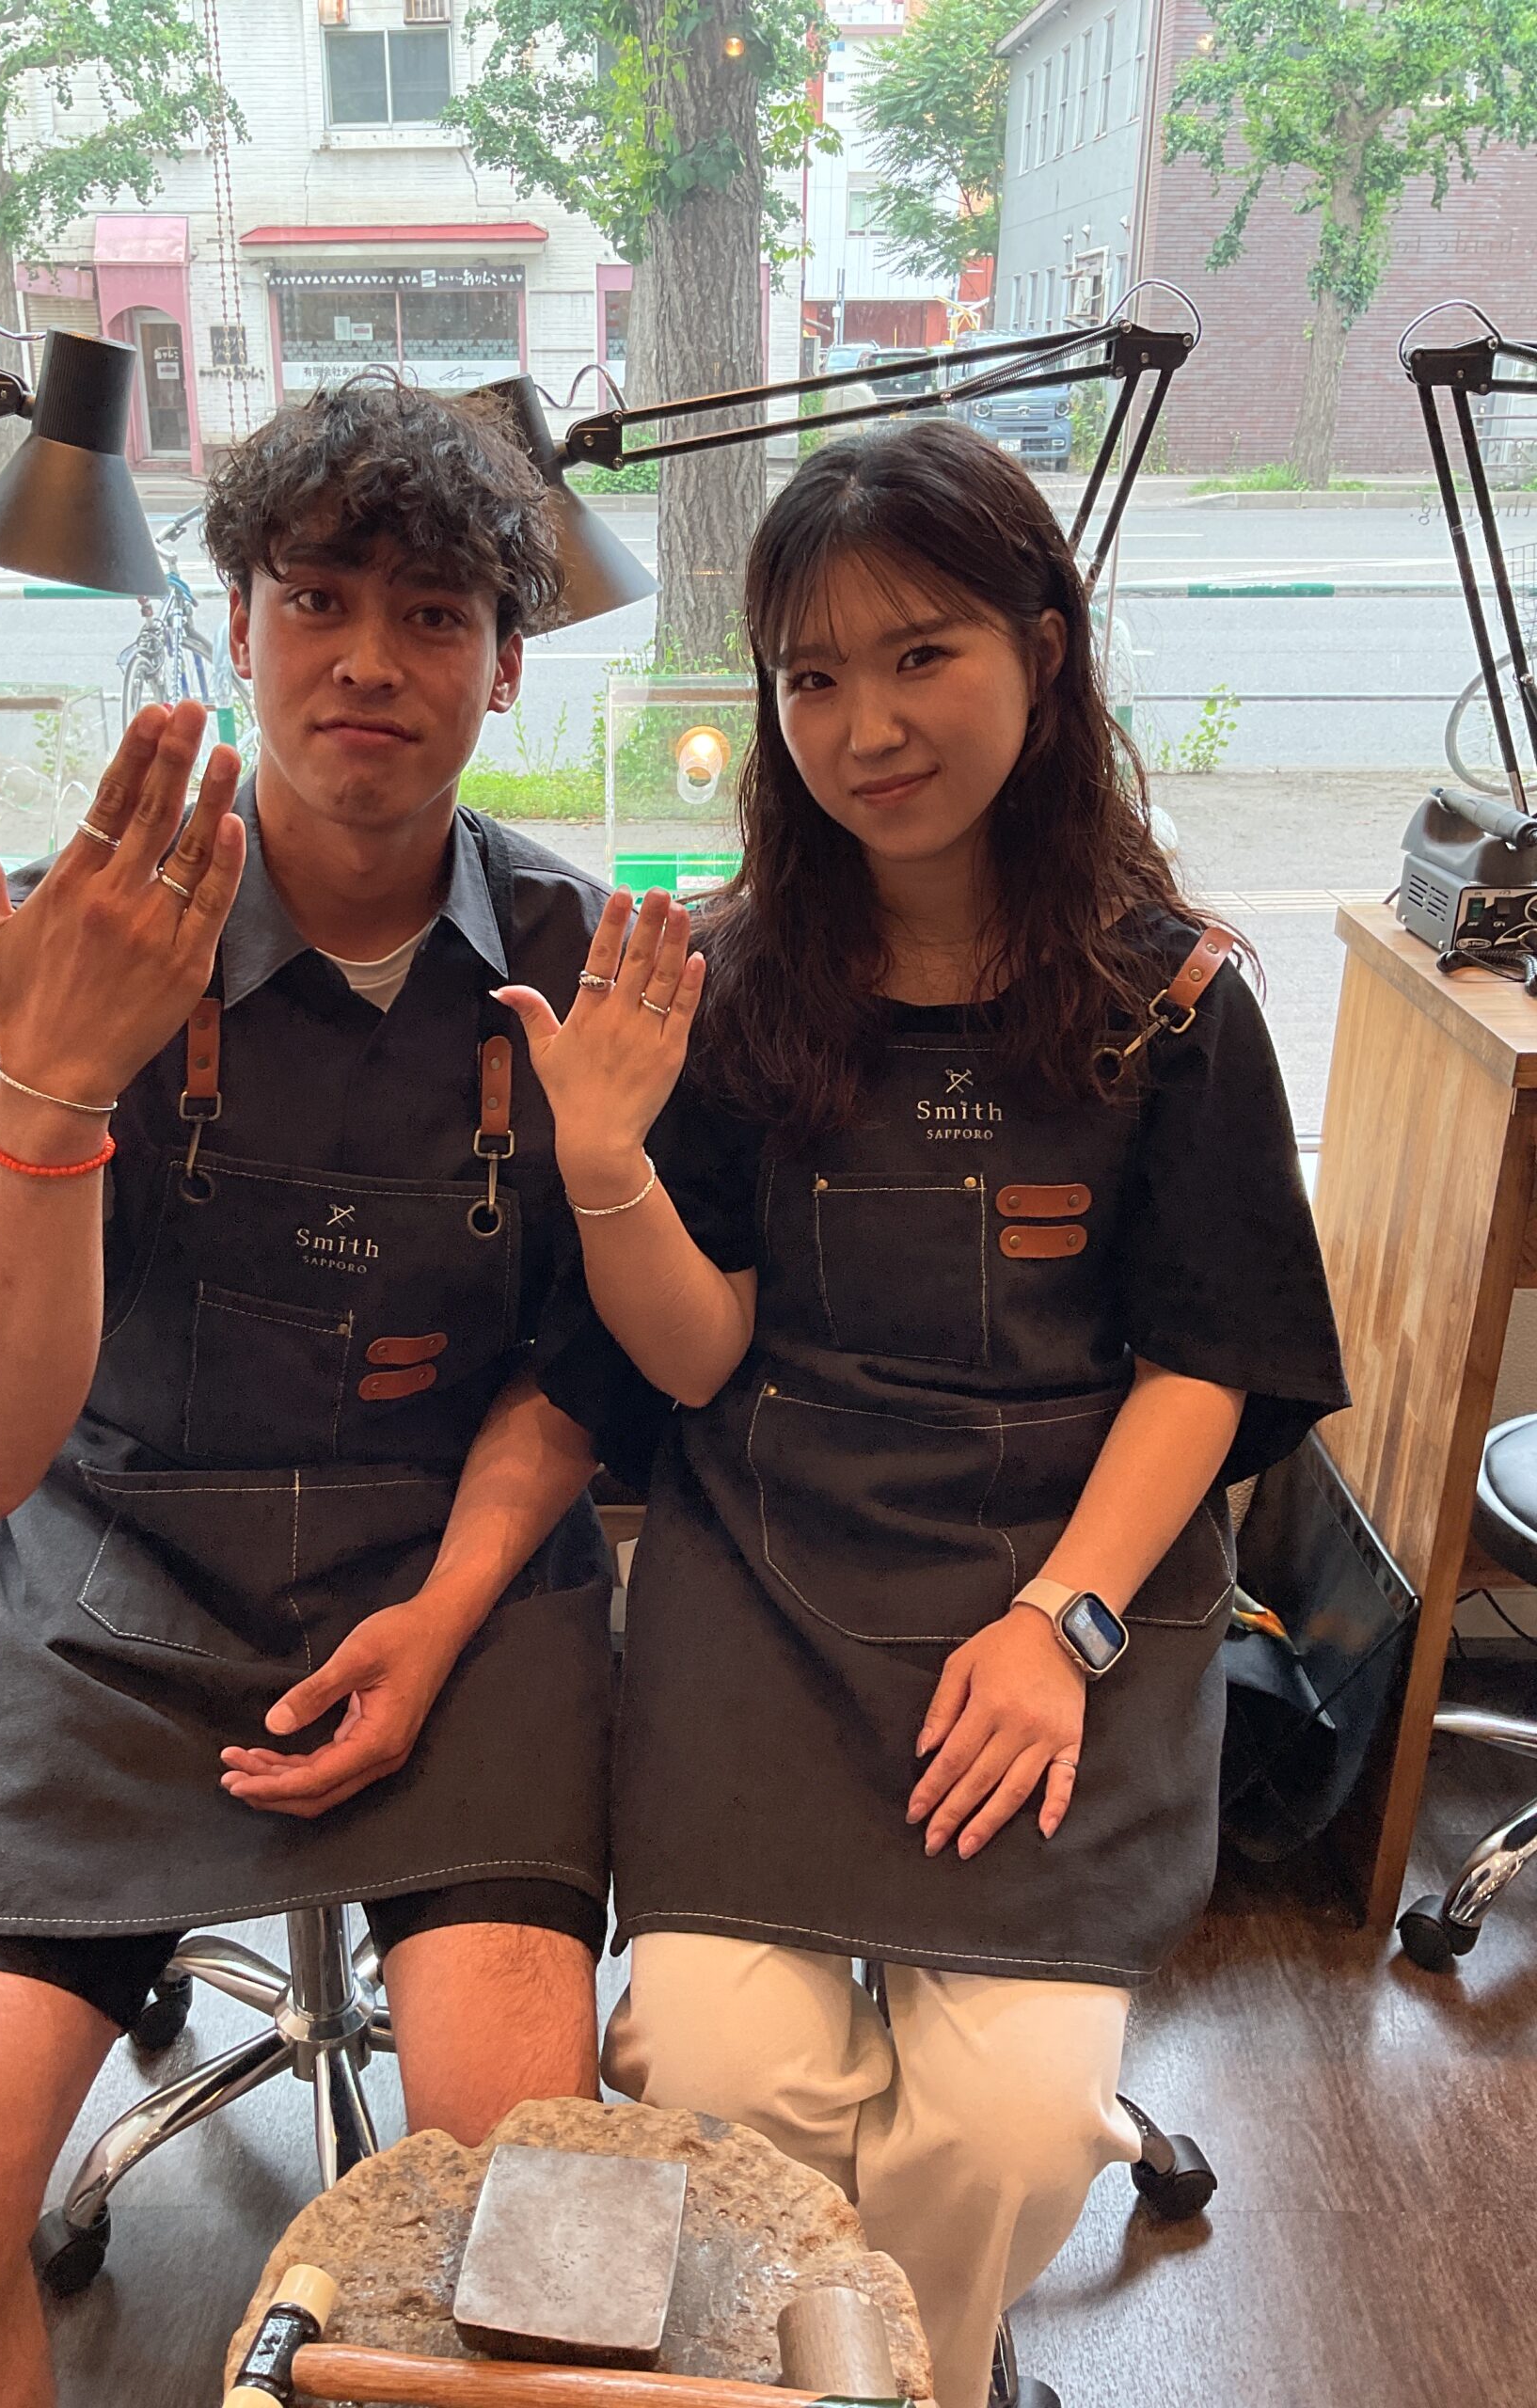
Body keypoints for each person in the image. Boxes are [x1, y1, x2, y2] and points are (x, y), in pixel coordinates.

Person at [502, 419, 1349, 2408]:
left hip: (1069, 1594)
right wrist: (607, 1165)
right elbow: (693, 1361)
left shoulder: (1174, 1002)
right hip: (769, 1586)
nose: (866, 726)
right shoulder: (732, 984)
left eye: (920, 655)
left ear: (1041, 650)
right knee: (719, 2073)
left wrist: (1063, 1624)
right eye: (812, 676)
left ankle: (919, 2379)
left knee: (1013, 2129)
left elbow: (1207, 1362)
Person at [0, 381, 620, 2408]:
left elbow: (578, 1369)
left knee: (533, 2201)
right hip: (104, 1580)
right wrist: (55, 1082)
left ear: (506, 665)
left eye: (434, 614)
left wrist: (449, 1611)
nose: (369, 658)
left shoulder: (572, 960)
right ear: (242, 621)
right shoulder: (62, 942)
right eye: (319, 599)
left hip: (460, 1588)